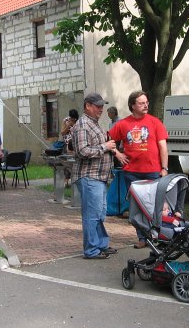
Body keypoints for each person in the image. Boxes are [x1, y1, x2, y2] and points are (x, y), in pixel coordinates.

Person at [109, 90, 169, 249]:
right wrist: (118, 154)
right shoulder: (122, 124)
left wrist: (164, 168)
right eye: (141, 103)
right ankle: (142, 237)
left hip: (153, 171)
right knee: (137, 206)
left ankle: (158, 235)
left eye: (146, 102)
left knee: (155, 204)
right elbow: (108, 140)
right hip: (132, 172)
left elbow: (163, 146)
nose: (146, 105)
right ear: (132, 106)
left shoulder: (155, 122)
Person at [72, 92, 119, 259]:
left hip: (99, 177)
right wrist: (105, 147)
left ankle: (101, 245)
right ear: (88, 106)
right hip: (89, 176)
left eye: (102, 106)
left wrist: (111, 149)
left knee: (99, 213)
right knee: (92, 215)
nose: (101, 109)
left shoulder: (94, 123)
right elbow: (82, 151)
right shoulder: (83, 124)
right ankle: (91, 249)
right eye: (98, 106)